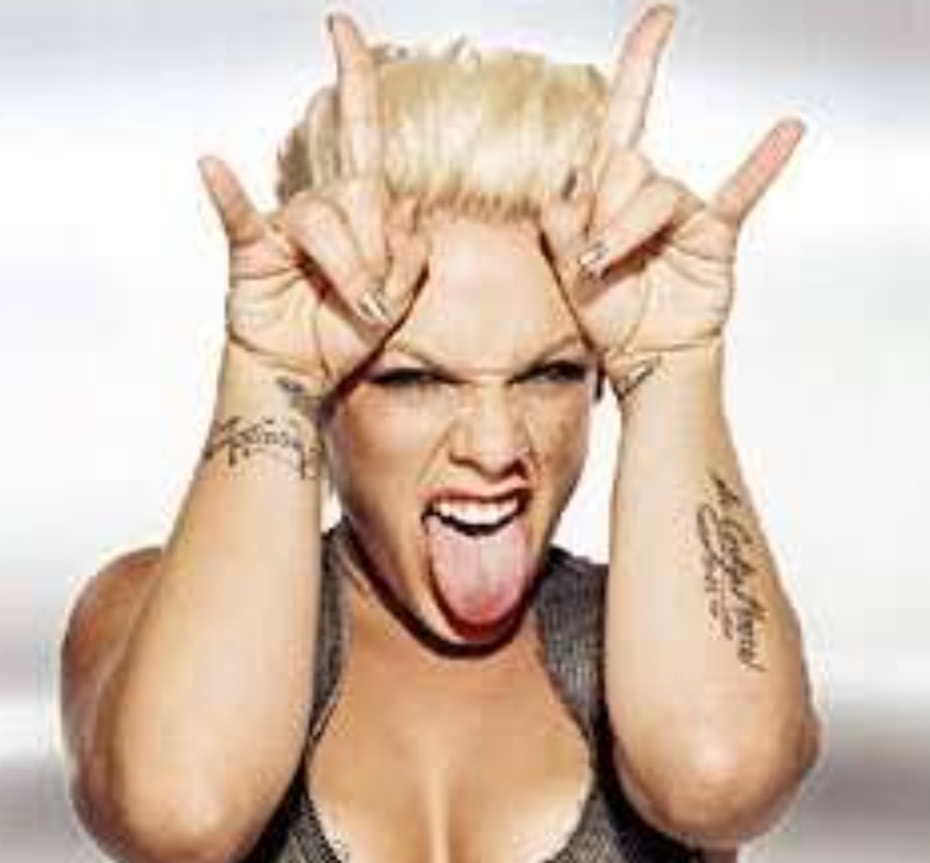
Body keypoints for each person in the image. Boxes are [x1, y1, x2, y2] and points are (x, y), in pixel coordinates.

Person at [59, 5, 821, 863]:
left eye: (549, 373)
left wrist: (675, 366)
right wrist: (270, 379)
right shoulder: (139, 611)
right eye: (413, 379)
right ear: (329, 382)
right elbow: (182, 813)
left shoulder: (662, 647)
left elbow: (721, 780)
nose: (494, 448)